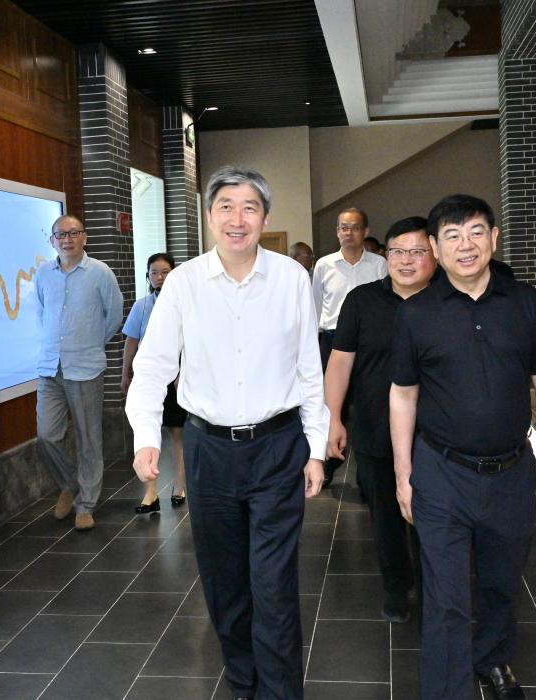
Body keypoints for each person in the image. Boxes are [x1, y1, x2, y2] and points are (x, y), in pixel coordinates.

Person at [126, 166, 328, 700]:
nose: (238, 219)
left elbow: (309, 368)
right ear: (210, 216)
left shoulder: (291, 278)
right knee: (223, 580)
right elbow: (152, 366)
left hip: (278, 447)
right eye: (226, 207)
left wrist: (315, 448)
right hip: (209, 450)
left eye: (250, 207)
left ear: (265, 216)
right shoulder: (184, 283)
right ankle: (243, 681)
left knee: (274, 583)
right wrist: (146, 436)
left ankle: (280, 692)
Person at [389, 194, 536, 700]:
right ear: (435, 247)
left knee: (501, 581)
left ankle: (493, 660)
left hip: (512, 471)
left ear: (494, 237)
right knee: (445, 595)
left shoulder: (525, 303)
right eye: (451, 235)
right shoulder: (416, 314)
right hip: (441, 471)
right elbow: (403, 396)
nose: (465, 245)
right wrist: (404, 474)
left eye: (475, 232)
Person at [324, 216, 434, 624]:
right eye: (398, 251)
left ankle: (435, 588)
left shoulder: (448, 299)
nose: (406, 260)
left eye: (417, 251)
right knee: (385, 516)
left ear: (435, 254)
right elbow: (340, 362)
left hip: (437, 433)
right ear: (385, 255)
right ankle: (396, 588)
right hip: (375, 427)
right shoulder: (362, 300)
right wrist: (333, 418)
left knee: (434, 517)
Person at [32, 214, 123, 532]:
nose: (67, 239)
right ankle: (70, 483)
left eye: (74, 233)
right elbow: (42, 312)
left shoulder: (100, 273)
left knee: (88, 439)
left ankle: (86, 504)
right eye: (61, 234)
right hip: (49, 367)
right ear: (52, 240)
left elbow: (114, 316)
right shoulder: (43, 273)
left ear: (84, 237)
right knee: (46, 436)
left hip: (85, 367)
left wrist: (90, 344)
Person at [311, 207, 387, 484]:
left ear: (365, 232)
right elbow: (314, 307)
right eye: (343, 227)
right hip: (332, 341)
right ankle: (328, 465)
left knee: (368, 405)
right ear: (337, 232)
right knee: (332, 407)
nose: (348, 232)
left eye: (354, 227)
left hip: (368, 344)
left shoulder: (379, 264)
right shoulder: (324, 265)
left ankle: (368, 474)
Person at [120, 252, 187, 513]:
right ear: (147, 277)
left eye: (165, 272)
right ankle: (150, 493)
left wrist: (183, 374)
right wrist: (125, 374)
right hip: (149, 378)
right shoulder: (142, 306)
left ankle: (179, 485)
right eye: (154, 273)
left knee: (177, 434)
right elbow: (131, 341)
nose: (159, 277)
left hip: (177, 378)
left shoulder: (182, 303)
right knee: (148, 434)